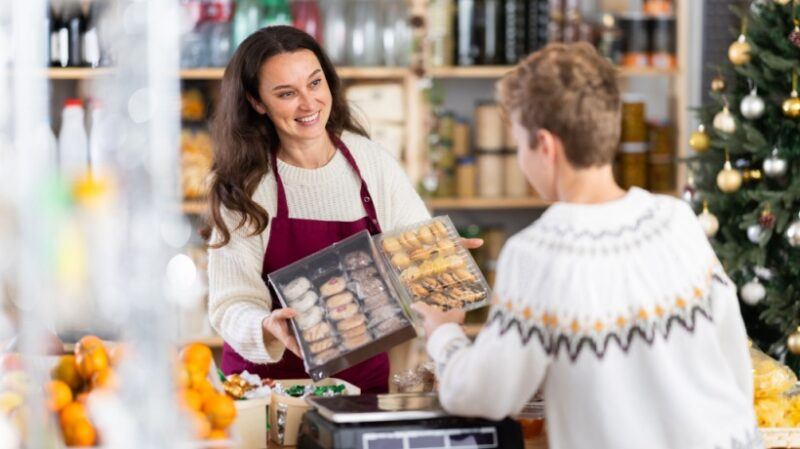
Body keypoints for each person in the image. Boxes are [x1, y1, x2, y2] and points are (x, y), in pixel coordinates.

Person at [413, 43, 760, 448]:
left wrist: (443, 331)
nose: (522, 162)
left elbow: (485, 395)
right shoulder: (676, 219)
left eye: (520, 146)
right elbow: (734, 359)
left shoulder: (538, 253)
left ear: (546, 146)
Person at [203, 26, 479, 394]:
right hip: (265, 390)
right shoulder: (243, 185)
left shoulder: (371, 162)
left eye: (315, 84)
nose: (309, 103)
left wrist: (438, 259)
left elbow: (416, 253)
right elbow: (230, 304)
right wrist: (267, 326)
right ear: (257, 102)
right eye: (287, 93)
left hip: (358, 388)